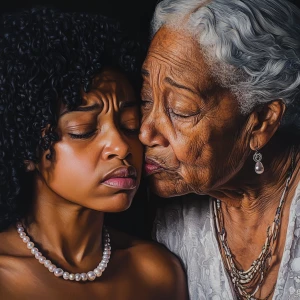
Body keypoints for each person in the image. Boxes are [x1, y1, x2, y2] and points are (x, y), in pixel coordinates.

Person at [0, 7, 188, 299]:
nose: (122, 147)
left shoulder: (156, 273)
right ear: (27, 150)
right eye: (83, 130)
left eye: (129, 125)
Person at [139, 0, 300, 299]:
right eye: (146, 98)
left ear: (261, 122)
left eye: (181, 110)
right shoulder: (167, 218)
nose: (145, 131)